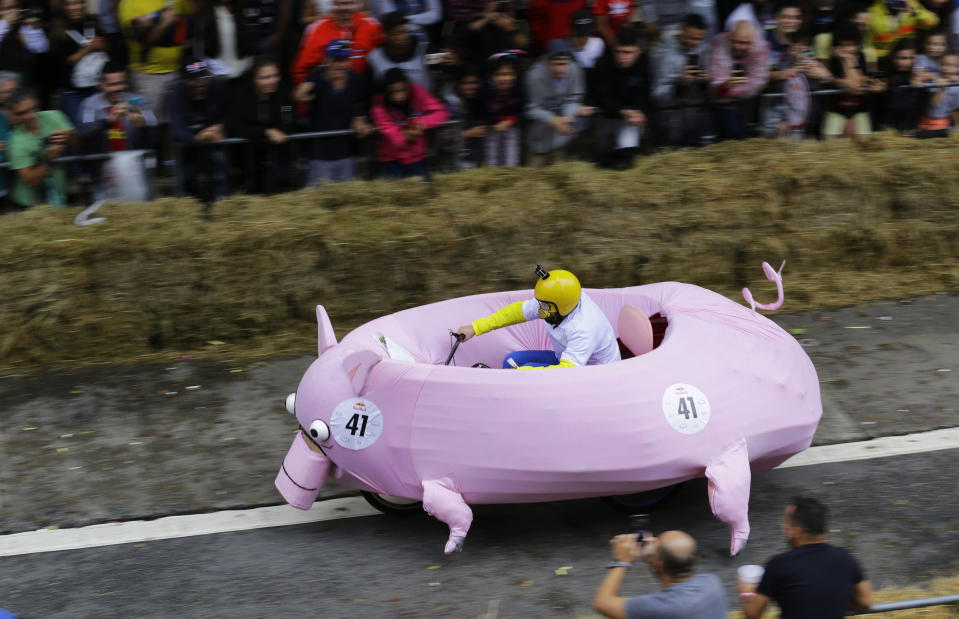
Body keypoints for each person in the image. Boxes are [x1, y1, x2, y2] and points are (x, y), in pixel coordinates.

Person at [455, 265, 621, 369]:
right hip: (566, 360)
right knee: (510, 361)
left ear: (563, 306)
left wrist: (521, 374)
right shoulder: (558, 301)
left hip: (592, 374)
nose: (540, 311)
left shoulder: (583, 329)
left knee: (519, 371)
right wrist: (475, 328)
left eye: (545, 307)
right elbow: (517, 312)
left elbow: (566, 372)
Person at [740, 496, 873, 619]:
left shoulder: (780, 565)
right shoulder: (846, 558)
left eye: (787, 526)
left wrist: (747, 593)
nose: (784, 529)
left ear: (797, 531)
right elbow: (865, 602)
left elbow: (752, 614)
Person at [593, 530, 727, 619]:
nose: (649, 539)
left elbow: (602, 603)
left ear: (659, 566)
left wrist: (622, 561)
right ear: (693, 560)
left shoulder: (661, 607)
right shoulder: (713, 583)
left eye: (655, 543)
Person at [295, 38, 372, 184]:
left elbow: (360, 108)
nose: (338, 64)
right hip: (319, 153)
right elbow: (297, 95)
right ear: (327, 60)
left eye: (342, 60)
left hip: (346, 152)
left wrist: (360, 120)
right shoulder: (317, 75)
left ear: (349, 61)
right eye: (334, 60)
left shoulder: (357, 81)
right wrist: (303, 94)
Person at [119, 0, 194, 124]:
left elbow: (185, 15)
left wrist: (183, 38)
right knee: (148, 123)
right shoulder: (130, 3)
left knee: (174, 123)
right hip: (147, 75)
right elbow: (142, 44)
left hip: (176, 72)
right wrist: (163, 24)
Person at [230, 55, 297, 193]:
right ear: (254, 79)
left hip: (278, 154)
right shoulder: (240, 94)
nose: (272, 81)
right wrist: (265, 131)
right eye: (265, 78)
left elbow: (288, 121)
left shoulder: (284, 92)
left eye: (275, 75)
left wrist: (278, 131)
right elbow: (236, 127)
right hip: (248, 157)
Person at [166, 56, 230, 203]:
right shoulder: (175, 93)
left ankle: (222, 203)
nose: (201, 84)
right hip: (188, 147)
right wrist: (199, 137)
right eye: (195, 81)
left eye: (204, 79)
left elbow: (233, 114)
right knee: (187, 181)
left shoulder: (218, 86)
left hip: (214, 143)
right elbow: (176, 130)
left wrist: (221, 126)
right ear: (184, 81)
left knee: (219, 165)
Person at [370, 67, 449, 180]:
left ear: (408, 86)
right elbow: (394, 137)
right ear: (387, 92)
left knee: (424, 191)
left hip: (417, 157)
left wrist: (421, 123)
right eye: (394, 92)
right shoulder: (379, 107)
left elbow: (441, 112)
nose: (399, 96)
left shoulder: (417, 91)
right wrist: (408, 135)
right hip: (392, 160)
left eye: (403, 90)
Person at [6, 88, 78, 209]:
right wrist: (48, 159)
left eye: (33, 108)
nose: (30, 115)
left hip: (59, 196)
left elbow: (78, 145)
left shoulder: (54, 116)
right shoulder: (16, 142)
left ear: (37, 103)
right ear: (14, 114)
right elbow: (32, 180)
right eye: (22, 113)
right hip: (30, 205)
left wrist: (69, 136)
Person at [592, 26, 650, 169]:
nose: (621, 56)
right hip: (608, 113)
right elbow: (602, 97)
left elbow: (646, 91)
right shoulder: (604, 62)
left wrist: (641, 112)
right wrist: (622, 111)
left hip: (632, 114)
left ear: (639, 50)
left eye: (628, 52)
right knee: (603, 159)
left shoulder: (645, 62)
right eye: (618, 51)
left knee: (625, 162)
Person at [651, 12, 713, 146]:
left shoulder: (704, 50)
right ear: (682, 30)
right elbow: (656, 96)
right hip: (669, 121)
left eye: (699, 39)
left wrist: (705, 83)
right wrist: (679, 85)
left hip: (696, 118)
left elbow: (711, 92)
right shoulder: (663, 53)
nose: (694, 43)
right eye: (690, 37)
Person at [49, 0, 112, 127]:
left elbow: (106, 50)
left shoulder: (92, 23)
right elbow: (65, 62)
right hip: (72, 92)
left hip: (95, 87)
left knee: (98, 125)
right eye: (69, 4)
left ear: (84, 5)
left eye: (77, 3)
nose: (74, 8)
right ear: (63, 7)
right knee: (77, 127)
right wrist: (89, 48)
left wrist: (103, 45)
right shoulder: (57, 29)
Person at [291, 0, 384, 84]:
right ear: (333, 4)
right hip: (326, 93)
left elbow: (384, 56)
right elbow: (300, 71)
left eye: (348, 3)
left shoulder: (371, 25)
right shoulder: (317, 28)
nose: (344, 8)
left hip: (363, 92)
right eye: (340, 3)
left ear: (357, 3)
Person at [708, 19, 770, 139]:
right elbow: (715, 83)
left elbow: (755, 85)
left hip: (748, 103)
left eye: (744, 43)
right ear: (729, 37)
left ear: (752, 40)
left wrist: (727, 88)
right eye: (735, 42)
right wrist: (723, 87)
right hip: (722, 105)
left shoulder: (761, 47)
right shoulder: (719, 43)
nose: (739, 46)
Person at [821, 23, 884, 139]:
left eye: (852, 45)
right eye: (843, 45)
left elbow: (857, 85)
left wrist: (848, 61)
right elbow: (853, 86)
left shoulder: (861, 56)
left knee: (864, 142)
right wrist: (847, 61)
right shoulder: (832, 60)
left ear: (858, 45)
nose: (848, 49)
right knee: (830, 144)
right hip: (836, 109)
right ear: (835, 46)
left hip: (859, 109)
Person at [79, 62, 158, 153]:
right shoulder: (89, 104)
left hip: (132, 156)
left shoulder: (136, 100)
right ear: (101, 85)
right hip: (101, 159)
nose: (118, 88)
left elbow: (153, 122)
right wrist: (108, 121)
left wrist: (144, 122)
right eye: (112, 84)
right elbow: (86, 130)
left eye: (121, 83)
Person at [524, 48, 584, 166]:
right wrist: (552, 120)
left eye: (564, 64)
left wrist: (568, 116)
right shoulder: (534, 76)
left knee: (559, 174)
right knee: (533, 175)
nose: (560, 69)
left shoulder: (574, 70)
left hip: (560, 139)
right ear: (546, 61)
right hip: (537, 138)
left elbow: (574, 97)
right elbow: (530, 108)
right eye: (556, 64)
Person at [367, 12, 432, 89]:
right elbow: (371, 88)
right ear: (386, 36)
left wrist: (447, 60)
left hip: (425, 99)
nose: (402, 37)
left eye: (405, 32)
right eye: (395, 34)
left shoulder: (424, 50)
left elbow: (442, 61)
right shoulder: (374, 57)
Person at [481, 52, 524, 167]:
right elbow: (482, 112)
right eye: (500, 74)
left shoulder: (518, 89)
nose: (505, 78)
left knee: (511, 160)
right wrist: (492, 123)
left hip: (511, 126)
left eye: (510, 74)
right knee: (492, 161)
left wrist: (509, 121)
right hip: (492, 127)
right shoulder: (485, 91)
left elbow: (522, 110)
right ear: (491, 76)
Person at [865, 0, 939, 60]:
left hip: (909, 60)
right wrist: (890, 55)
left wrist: (916, 12)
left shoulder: (912, 3)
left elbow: (932, 22)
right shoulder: (872, 14)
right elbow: (867, 48)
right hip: (883, 60)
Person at [882, 37, 923, 134]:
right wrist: (914, 89)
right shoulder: (885, 75)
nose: (905, 62)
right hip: (889, 129)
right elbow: (896, 105)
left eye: (910, 58)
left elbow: (917, 107)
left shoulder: (916, 75)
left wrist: (918, 88)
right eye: (900, 58)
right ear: (893, 56)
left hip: (910, 127)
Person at [0, 0, 49, 81]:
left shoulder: (23, 25)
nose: (13, 11)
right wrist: (5, 23)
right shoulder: (3, 25)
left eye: (15, 7)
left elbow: (40, 49)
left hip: (23, 77)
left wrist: (34, 27)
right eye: (7, 8)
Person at [915, 49, 959, 137]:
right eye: (943, 64)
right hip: (926, 119)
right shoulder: (935, 79)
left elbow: (955, 109)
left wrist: (957, 125)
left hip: (943, 121)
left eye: (950, 65)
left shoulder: (956, 86)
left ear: (957, 67)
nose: (946, 68)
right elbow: (934, 103)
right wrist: (941, 87)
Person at [0, 70, 19, 212]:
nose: (8, 95)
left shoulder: (25, 112)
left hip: (18, 181)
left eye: (12, 91)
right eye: (4, 92)